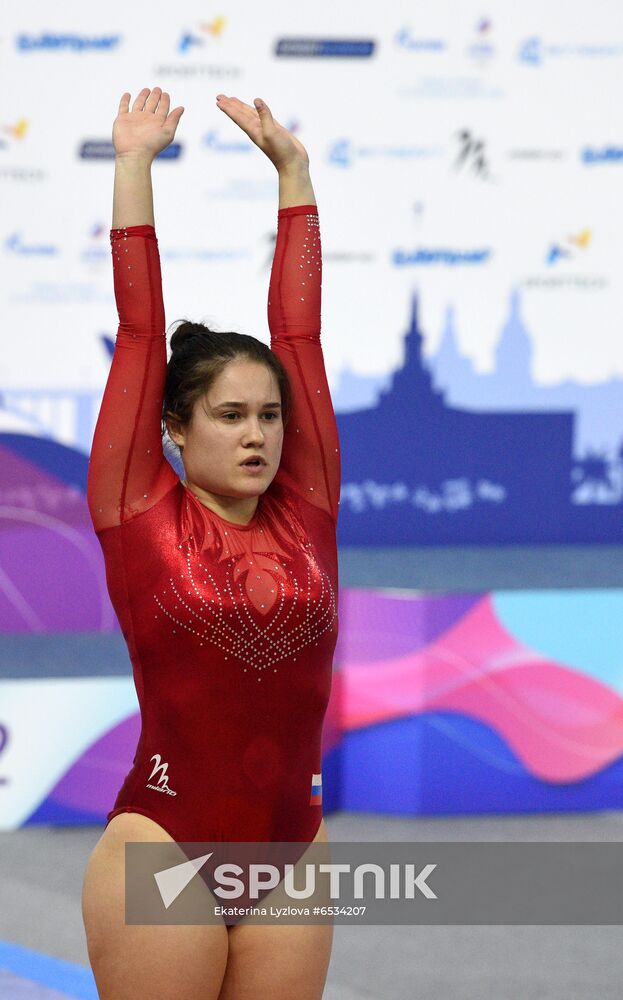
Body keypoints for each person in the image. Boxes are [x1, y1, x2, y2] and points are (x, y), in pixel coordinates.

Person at [81, 87, 341, 999]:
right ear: (176, 431)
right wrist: (133, 168)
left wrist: (296, 176)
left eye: (269, 415)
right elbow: (142, 334)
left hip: (291, 852)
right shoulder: (136, 507)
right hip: (164, 845)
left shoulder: (307, 509)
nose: (258, 433)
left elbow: (298, 338)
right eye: (229, 415)